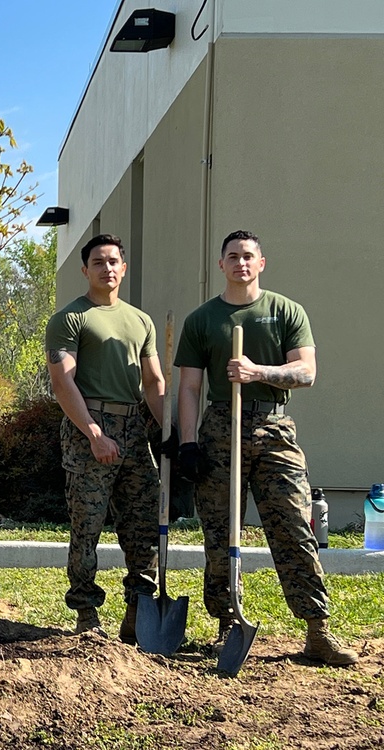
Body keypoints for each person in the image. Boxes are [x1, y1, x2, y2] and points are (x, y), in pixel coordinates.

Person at [174, 229, 357, 666]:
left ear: (261, 263)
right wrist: (188, 444)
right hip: (221, 428)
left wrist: (258, 372)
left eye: (248, 256)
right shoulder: (202, 320)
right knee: (221, 533)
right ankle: (226, 625)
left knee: (294, 527)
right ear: (221, 264)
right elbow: (189, 388)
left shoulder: (286, 311)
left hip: (274, 426)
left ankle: (317, 631)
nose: (240, 262)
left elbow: (306, 372)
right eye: (232, 256)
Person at [45, 234, 164, 642]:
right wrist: (94, 433)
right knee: (87, 528)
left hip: (134, 430)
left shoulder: (140, 321)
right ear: (86, 270)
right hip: (89, 428)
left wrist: (170, 436)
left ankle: (138, 610)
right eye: (98, 262)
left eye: (114, 261)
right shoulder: (71, 318)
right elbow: (63, 383)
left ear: (123, 268)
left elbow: (153, 383)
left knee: (143, 527)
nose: (107, 268)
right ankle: (86, 613)